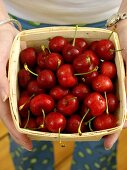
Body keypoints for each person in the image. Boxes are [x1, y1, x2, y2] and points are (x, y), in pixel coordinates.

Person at [0, 0, 127, 169]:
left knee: (97, 142)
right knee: (26, 137)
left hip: (108, 22)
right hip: (17, 25)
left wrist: (124, 20)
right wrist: (2, 25)